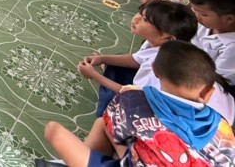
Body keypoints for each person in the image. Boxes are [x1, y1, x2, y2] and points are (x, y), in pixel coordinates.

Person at [44, 41, 235, 167]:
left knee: (53, 130)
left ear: (155, 71)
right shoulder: (223, 127)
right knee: (103, 124)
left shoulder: (134, 99)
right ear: (208, 92)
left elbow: (116, 130)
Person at [78, 0, 198, 117]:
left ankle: (106, 119)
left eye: (144, 20)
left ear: (167, 38)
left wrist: (94, 76)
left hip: (149, 110)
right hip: (143, 93)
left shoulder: (161, 65)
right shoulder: (158, 44)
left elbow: (134, 96)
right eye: (140, 14)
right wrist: (102, 59)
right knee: (116, 65)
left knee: (113, 99)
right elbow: (137, 59)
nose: (136, 19)